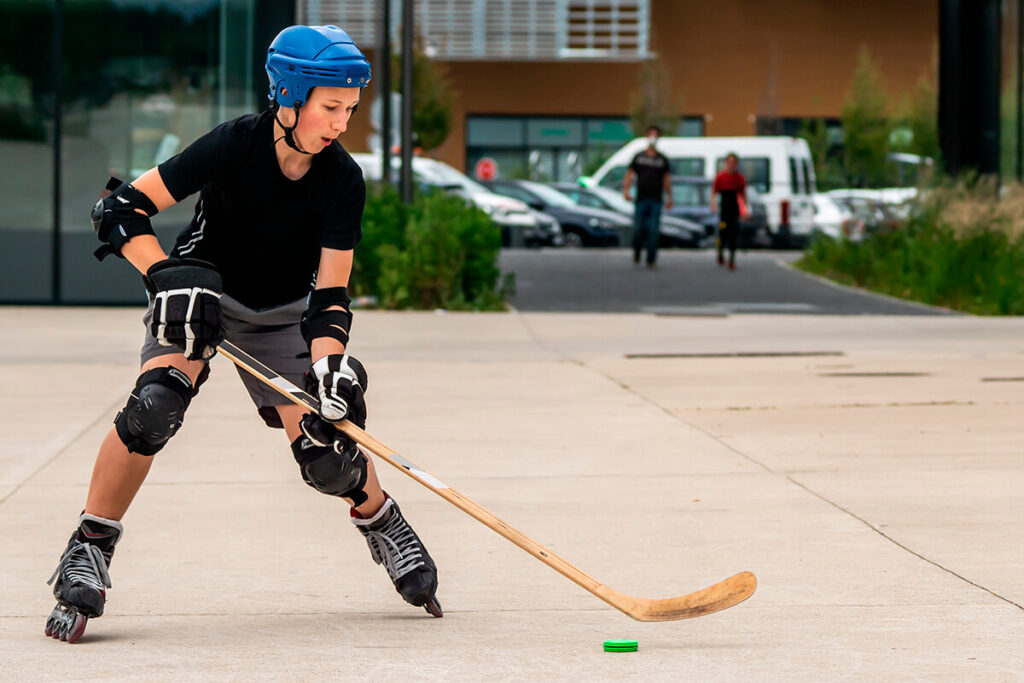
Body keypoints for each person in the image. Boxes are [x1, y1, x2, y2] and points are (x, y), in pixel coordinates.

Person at [44, 25, 441, 644]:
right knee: (154, 409)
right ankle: (90, 544)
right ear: (289, 95)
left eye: (350, 110)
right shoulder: (234, 145)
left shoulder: (342, 179)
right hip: (200, 299)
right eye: (330, 107)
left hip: (284, 314)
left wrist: (331, 363)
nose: (341, 123)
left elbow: (331, 296)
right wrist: (166, 278)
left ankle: (381, 519)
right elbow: (122, 211)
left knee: (326, 455)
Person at [623, 125, 673, 268]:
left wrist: (670, 197)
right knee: (639, 228)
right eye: (651, 134)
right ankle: (637, 250)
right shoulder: (639, 157)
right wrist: (626, 191)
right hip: (641, 199)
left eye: (655, 135)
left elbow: (667, 179)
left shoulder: (662, 159)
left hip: (656, 199)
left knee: (653, 229)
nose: (653, 137)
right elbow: (629, 174)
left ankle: (651, 259)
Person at [710, 152, 748, 270]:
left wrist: (744, 210)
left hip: (734, 210)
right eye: (729, 162)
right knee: (723, 233)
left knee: (734, 234)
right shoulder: (721, 177)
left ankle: (732, 259)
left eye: (734, 163)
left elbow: (743, 196)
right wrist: (713, 204)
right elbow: (714, 193)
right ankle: (720, 253)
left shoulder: (739, 178)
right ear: (726, 163)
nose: (731, 165)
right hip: (724, 210)